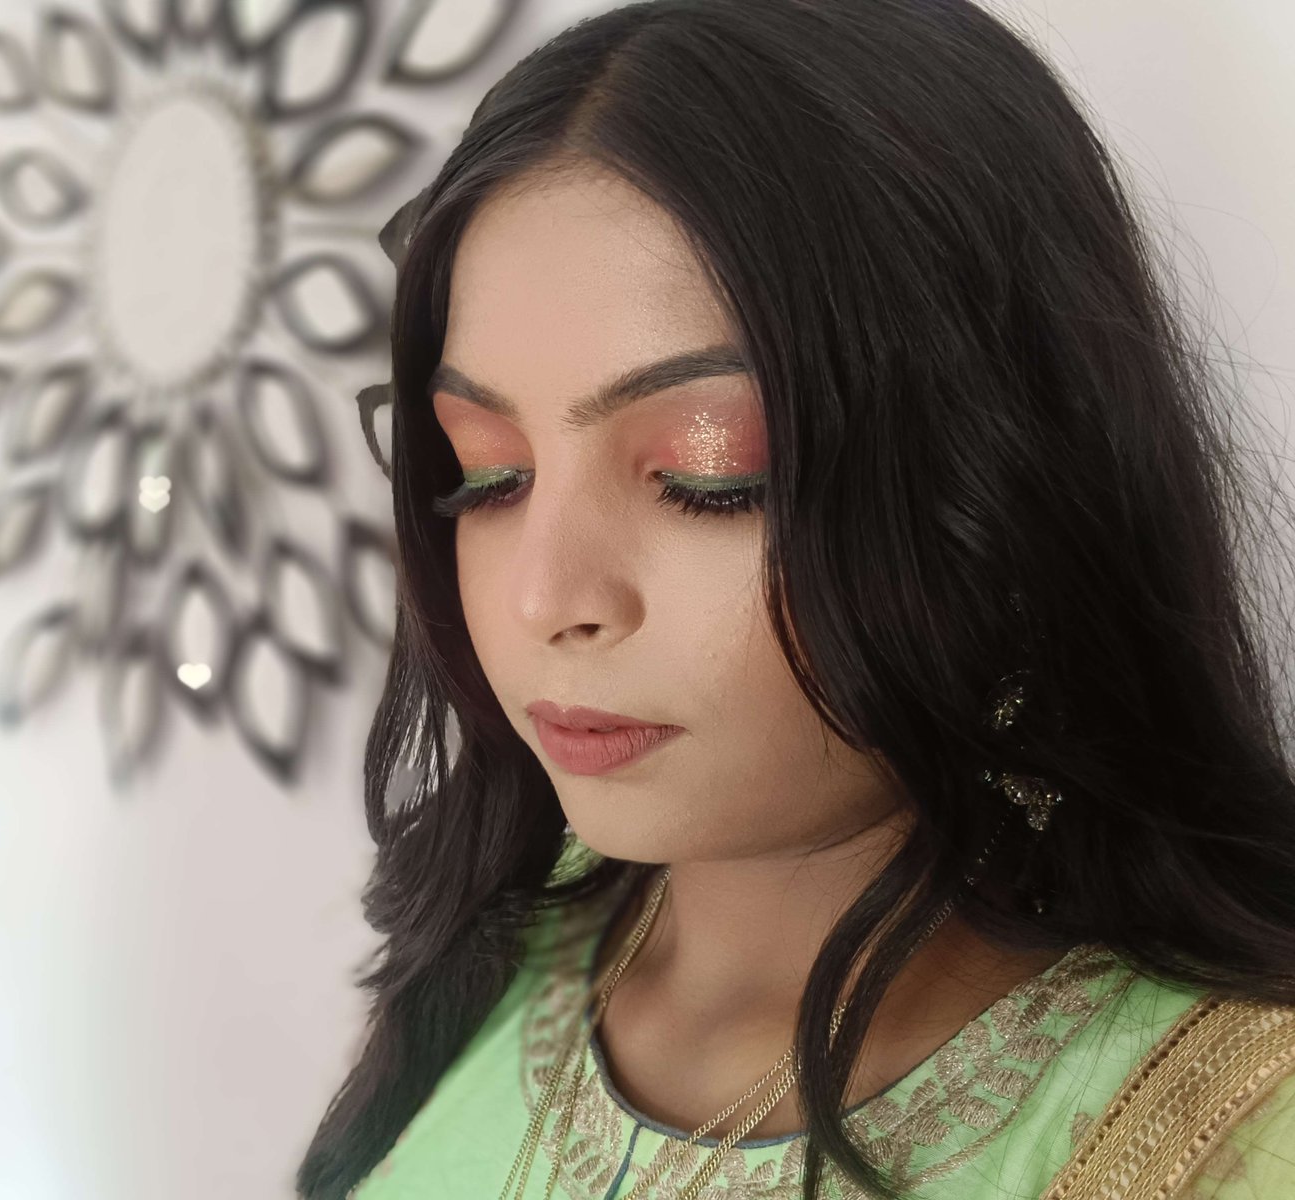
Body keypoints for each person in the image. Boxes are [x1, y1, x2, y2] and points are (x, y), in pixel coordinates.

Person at [294, 1, 1295, 1196]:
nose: (545, 598)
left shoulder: (1230, 1120)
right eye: (489, 475)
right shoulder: (492, 954)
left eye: (707, 478)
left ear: (997, 491)